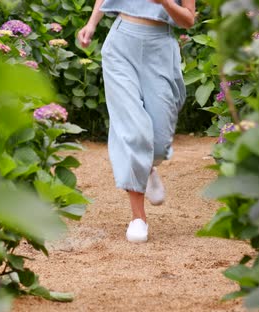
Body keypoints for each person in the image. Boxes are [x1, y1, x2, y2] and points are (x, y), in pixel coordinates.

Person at [78, 0, 194, 243]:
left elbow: (188, 20)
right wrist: (91, 24)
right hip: (121, 45)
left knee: (160, 143)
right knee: (134, 131)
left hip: (160, 47)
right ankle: (138, 218)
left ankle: (148, 166)